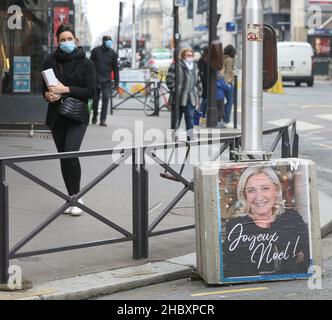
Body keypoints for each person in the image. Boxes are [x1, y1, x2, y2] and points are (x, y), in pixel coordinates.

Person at [42, 23, 96, 217]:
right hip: (57, 116)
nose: (66, 42)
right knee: (64, 157)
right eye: (62, 40)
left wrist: (65, 90)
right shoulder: (50, 61)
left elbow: (91, 91)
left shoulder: (86, 63)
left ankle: (78, 197)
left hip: (77, 116)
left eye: (69, 39)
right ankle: (70, 196)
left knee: (71, 153)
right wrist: (48, 96)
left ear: (76, 40)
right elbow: (44, 88)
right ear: (57, 41)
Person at [223, 166, 310, 278]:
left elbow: (307, 257)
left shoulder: (292, 218)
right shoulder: (236, 225)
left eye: (265, 188)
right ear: (245, 195)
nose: (259, 197)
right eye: (251, 190)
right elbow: (232, 270)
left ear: (276, 190)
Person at [166, 48, 202, 140]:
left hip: (191, 97)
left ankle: (190, 136)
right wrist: (175, 89)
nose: (190, 57)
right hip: (178, 97)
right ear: (183, 56)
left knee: (190, 117)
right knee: (176, 118)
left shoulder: (195, 66)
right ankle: (174, 135)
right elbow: (169, 79)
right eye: (188, 55)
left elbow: (198, 81)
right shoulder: (176, 65)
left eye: (191, 55)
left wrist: (198, 94)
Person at [90, 35, 119, 126]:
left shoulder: (113, 54)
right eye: (108, 41)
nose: (109, 42)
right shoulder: (95, 51)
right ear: (103, 41)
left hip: (107, 80)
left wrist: (117, 83)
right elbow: (90, 65)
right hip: (96, 79)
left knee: (106, 99)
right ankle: (94, 115)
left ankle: (103, 120)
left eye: (111, 41)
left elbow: (115, 69)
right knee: (95, 100)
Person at [216, 45, 236, 129]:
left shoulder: (223, 58)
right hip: (227, 82)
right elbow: (228, 72)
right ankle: (226, 119)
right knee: (230, 101)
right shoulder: (229, 59)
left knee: (223, 101)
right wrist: (227, 83)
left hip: (221, 82)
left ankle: (222, 117)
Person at [197, 46, 208, 118]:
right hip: (204, 82)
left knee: (204, 98)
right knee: (205, 98)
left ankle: (202, 114)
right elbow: (201, 72)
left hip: (203, 81)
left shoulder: (202, 59)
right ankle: (201, 114)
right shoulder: (204, 60)